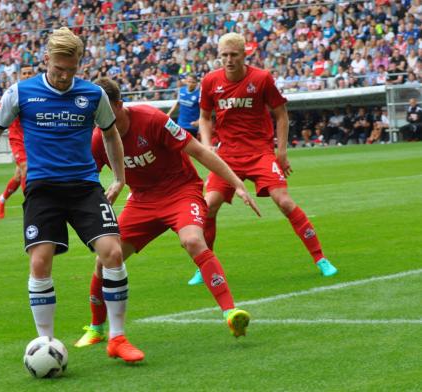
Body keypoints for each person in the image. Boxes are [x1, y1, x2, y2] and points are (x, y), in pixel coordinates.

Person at [0, 27, 144, 363]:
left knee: (112, 253)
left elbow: (111, 135)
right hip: (43, 189)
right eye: (58, 69)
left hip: (85, 187)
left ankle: (117, 337)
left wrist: (119, 177)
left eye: (70, 70)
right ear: (46, 59)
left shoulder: (92, 95)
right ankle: (45, 344)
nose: (63, 76)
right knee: (40, 262)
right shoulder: (21, 92)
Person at [74, 77, 261, 348]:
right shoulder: (98, 138)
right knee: (106, 259)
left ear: (119, 104)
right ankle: (96, 327)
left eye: (104, 109)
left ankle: (231, 313)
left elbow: (198, 151)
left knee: (193, 241)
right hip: (141, 201)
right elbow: (87, 180)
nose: (99, 117)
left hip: (181, 192)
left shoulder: (152, 119)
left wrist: (237, 183)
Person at [188, 33, 337, 286]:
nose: (228, 60)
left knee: (284, 202)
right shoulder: (210, 81)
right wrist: (206, 145)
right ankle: (204, 266)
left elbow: (281, 115)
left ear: (245, 54)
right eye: (224, 55)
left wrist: (281, 151)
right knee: (209, 205)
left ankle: (320, 258)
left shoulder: (262, 78)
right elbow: (204, 117)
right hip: (228, 156)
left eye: (233, 54)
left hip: (260, 153)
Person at [0, 65, 35, 219]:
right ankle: (31, 204)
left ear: (33, 74)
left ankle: (2, 198)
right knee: (26, 168)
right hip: (17, 139)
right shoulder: (14, 92)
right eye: (24, 73)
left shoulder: (40, 92)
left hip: (32, 139)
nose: (27, 75)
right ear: (20, 75)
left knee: (19, 176)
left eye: (29, 73)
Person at [167, 73, 201, 138]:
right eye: (189, 81)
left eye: (193, 82)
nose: (190, 84)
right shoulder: (181, 90)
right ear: (186, 81)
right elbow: (177, 103)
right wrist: (169, 113)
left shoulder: (199, 94)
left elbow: (203, 110)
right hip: (180, 124)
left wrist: (198, 121)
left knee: (190, 147)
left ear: (196, 83)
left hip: (192, 126)